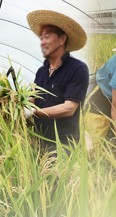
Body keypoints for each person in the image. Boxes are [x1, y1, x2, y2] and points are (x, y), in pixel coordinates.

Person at [26, 10, 89, 148]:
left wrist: (34, 112)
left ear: (62, 39)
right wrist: (21, 104)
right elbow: (33, 99)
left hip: (64, 144)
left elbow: (69, 108)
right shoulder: (41, 72)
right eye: (41, 38)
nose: (43, 42)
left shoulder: (78, 69)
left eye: (47, 37)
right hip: (38, 140)